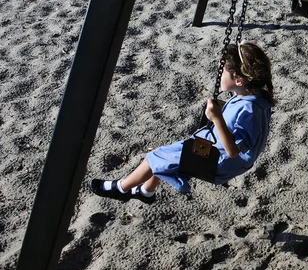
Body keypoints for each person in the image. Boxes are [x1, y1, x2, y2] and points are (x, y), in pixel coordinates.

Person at [90, 41, 275, 204]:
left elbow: (233, 151)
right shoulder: (254, 97)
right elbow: (241, 122)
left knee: (153, 158)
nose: (219, 68)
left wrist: (217, 118)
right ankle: (146, 192)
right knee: (168, 155)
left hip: (217, 162)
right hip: (214, 152)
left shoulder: (249, 110)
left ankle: (120, 189)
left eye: (223, 68)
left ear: (239, 80)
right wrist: (223, 107)